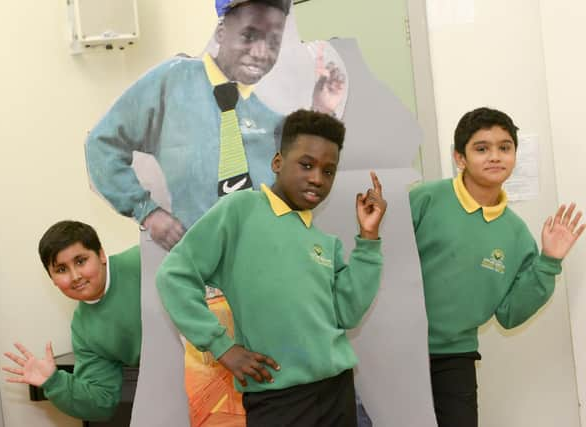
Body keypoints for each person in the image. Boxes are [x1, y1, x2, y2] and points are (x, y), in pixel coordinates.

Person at [157, 109, 387, 426]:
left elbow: (348, 312)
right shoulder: (240, 210)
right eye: (306, 165)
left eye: (329, 171)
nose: (317, 178)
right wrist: (222, 348)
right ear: (278, 163)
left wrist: (368, 238)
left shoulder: (324, 242)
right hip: (278, 400)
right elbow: (174, 276)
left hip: (337, 391)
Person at [409, 107, 585, 427]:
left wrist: (549, 261)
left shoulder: (516, 234)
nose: (495, 156)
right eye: (481, 148)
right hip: (399, 347)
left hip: (455, 357)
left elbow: (510, 314)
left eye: (504, 147)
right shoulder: (425, 199)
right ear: (459, 157)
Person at [85, 0, 292, 251]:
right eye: (249, 35)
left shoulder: (271, 116)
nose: (261, 52)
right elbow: (101, 144)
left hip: (257, 258)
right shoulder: (173, 82)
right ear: (221, 32)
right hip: (195, 264)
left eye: (273, 42)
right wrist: (146, 211)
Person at [2, 220, 141, 421]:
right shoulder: (83, 329)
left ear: (101, 254)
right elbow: (102, 401)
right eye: (61, 270)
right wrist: (54, 382)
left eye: (80, 261)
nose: (75, 276)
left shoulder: (142, 261)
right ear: (52, 279)